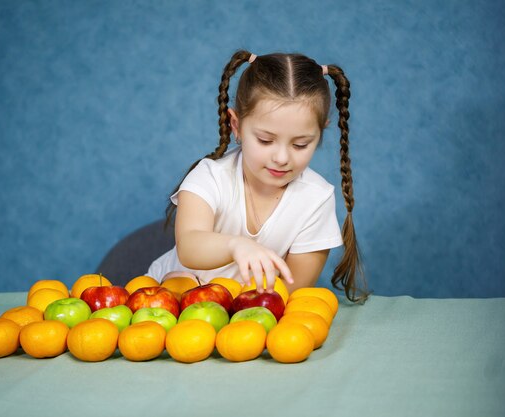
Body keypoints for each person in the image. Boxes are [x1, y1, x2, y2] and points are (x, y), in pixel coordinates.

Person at [147, 50, 368, 303]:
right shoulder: (210, 177)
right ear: (236, 126)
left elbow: (292, 287)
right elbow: (189, 246)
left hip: (247, 313)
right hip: (170, 302)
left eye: (300, 144)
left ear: (320, 132)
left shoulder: (316, 199)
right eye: (265, 140)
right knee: (178, 284)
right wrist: (235, 245)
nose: (282, 158)